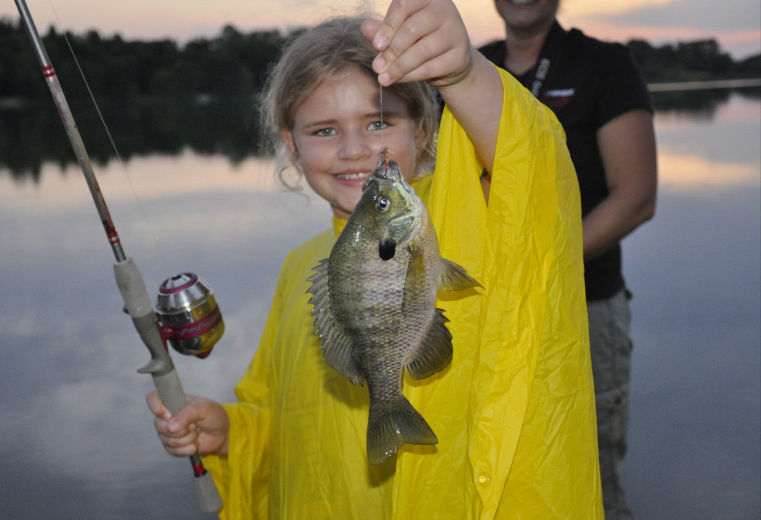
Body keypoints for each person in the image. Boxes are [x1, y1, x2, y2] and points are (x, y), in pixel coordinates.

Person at [147, 0, 604, 517]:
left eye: (379, 122)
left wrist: (465, 73)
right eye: (324, 130)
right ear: (291, 146)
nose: (355, 149)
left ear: (424, 131)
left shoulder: (466, 213)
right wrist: (233, 432)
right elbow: (285, 412)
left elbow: (534, 176)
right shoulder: (301, 268)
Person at [479, 1, 658, 518]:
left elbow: (636, 197)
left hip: (584, 306)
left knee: (590, 485)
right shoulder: (472, 70)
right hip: (490, 315)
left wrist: (539, 264)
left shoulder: (604, 64)